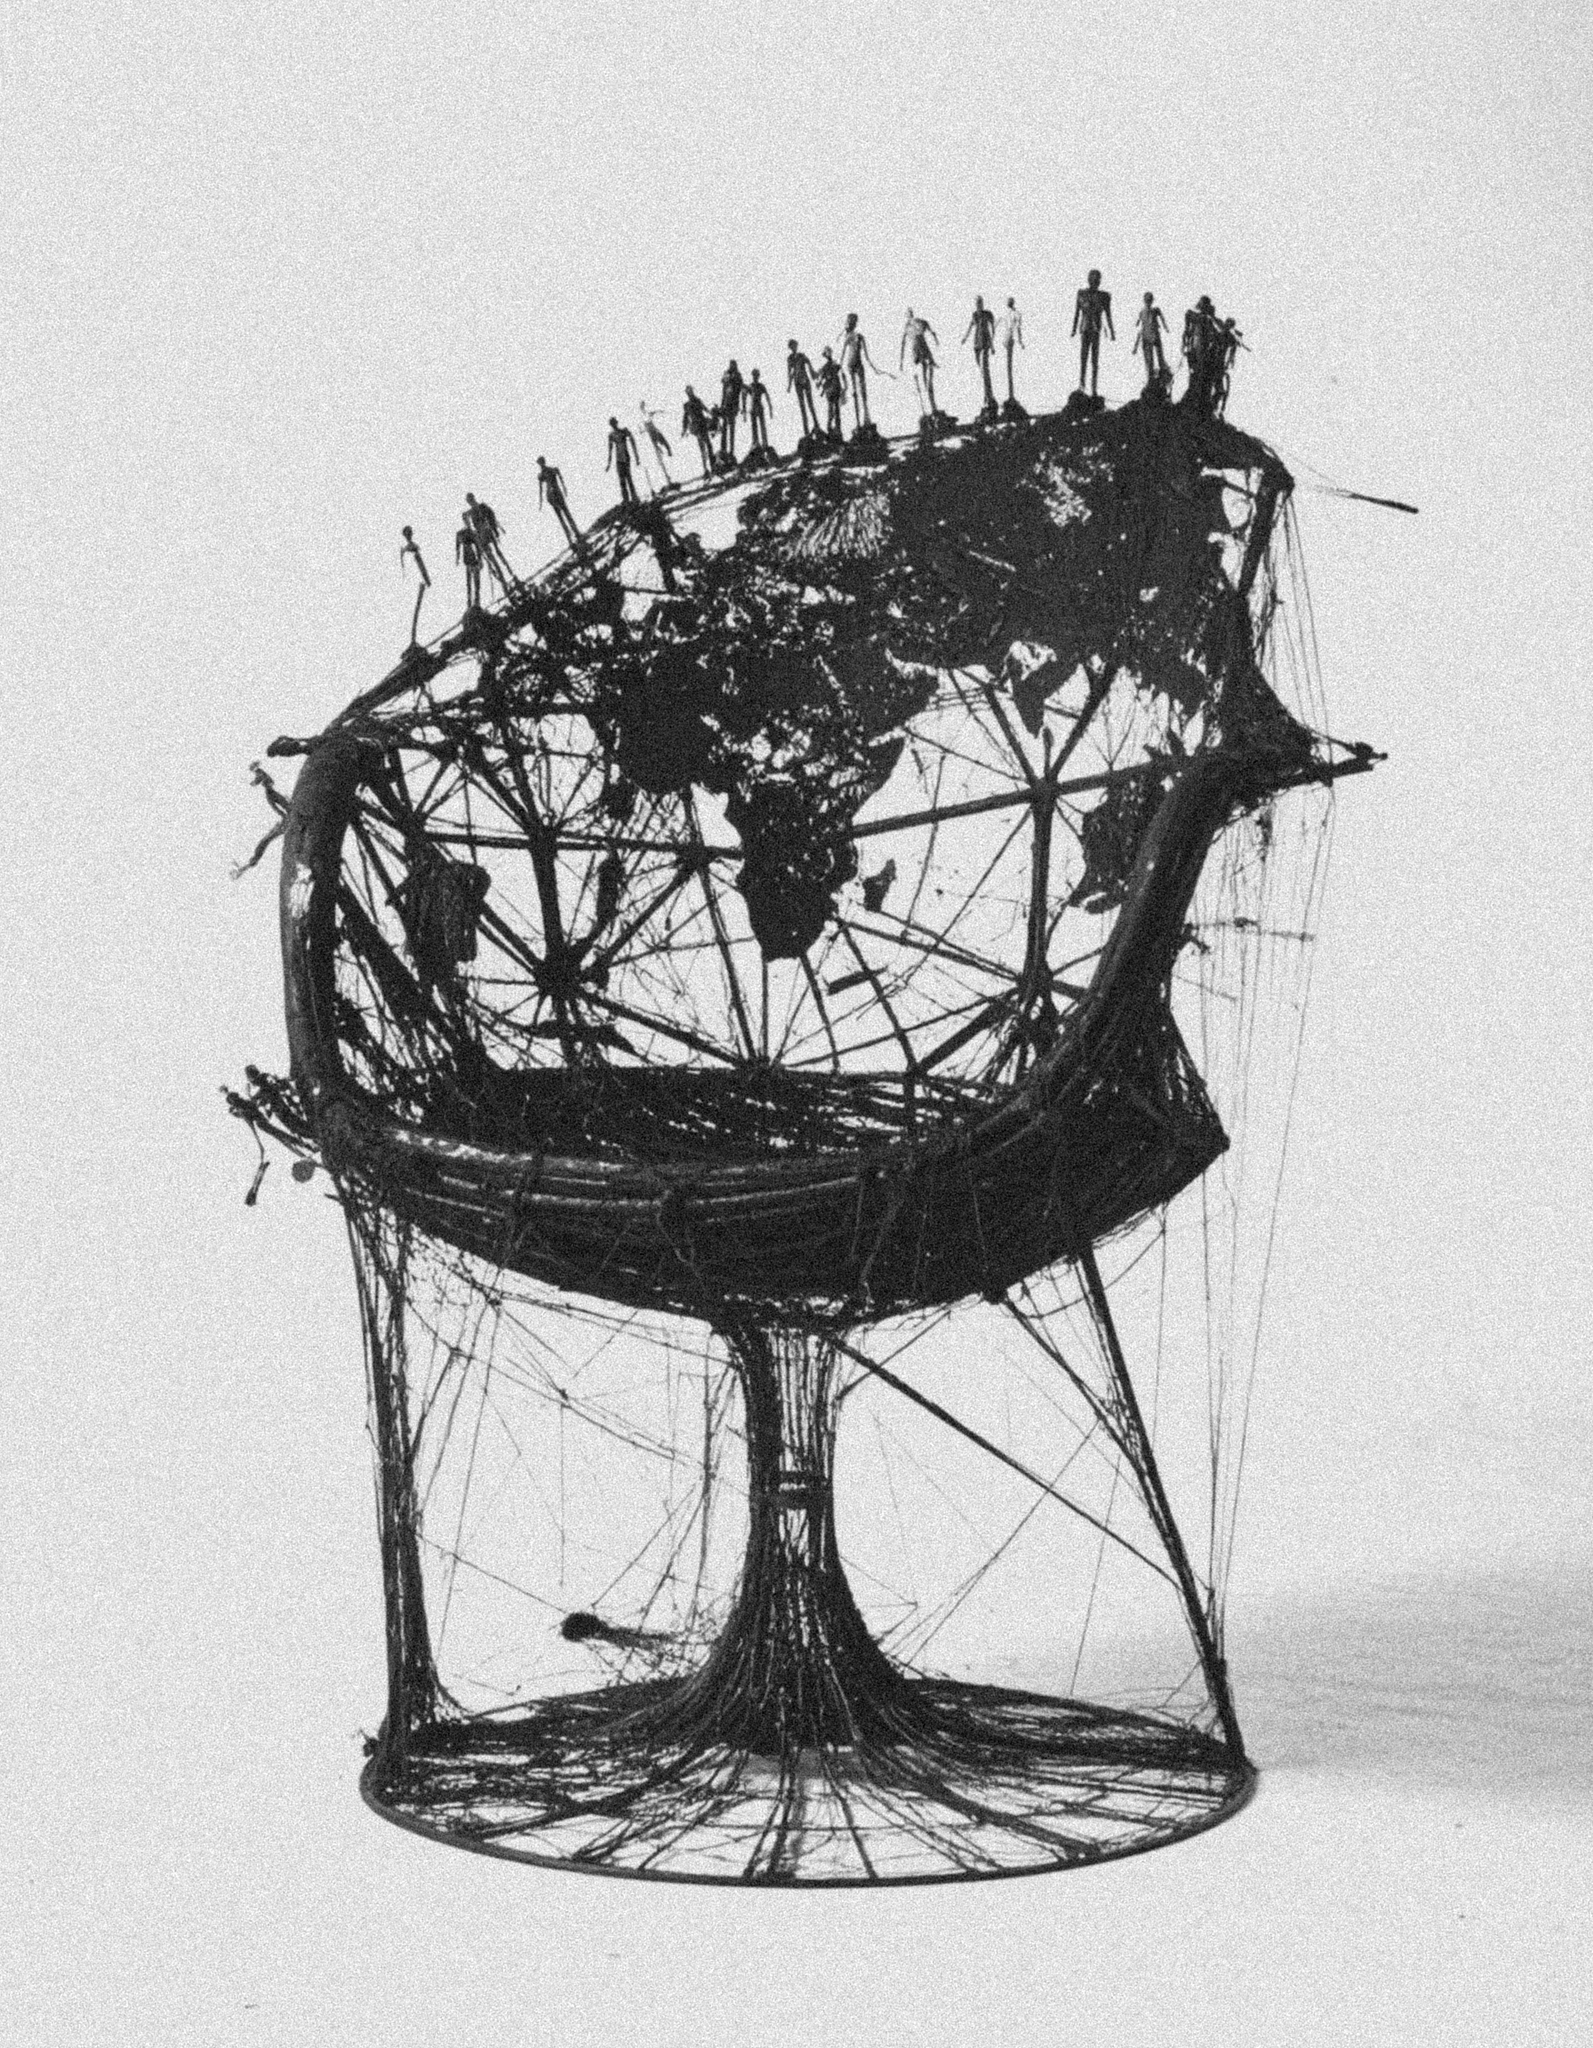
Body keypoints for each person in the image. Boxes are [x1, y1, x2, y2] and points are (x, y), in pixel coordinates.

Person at [1072, 270, 1114, 395]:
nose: (1095, 282)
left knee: (1094, 360)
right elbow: (1077, 312)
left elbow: (1108, 315)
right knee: (1084, 358)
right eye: (1093, 279)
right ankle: (1082, 385)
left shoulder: (1104, 296)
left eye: (1097, 280)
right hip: (1085, 328)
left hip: (1095, 330)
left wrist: (1112, 331)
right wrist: (1074, 328)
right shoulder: (1082, 294)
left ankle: (1094, 388)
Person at [838, 314, 883, 429]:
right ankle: (859, 422)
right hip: (851, 365)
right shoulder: (849, 337)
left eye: (851, 322)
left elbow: (866, 356)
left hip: (857, 365)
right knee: (856, 392)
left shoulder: (859, 337)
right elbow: (842, 354)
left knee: (862, 391)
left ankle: (866, 419)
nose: (850, 324)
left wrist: (874, 368)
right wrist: (839, 367)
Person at [464, 493, 512, 589]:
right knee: (492, 559)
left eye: (471, 500)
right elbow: (469, 525)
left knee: (498, 553)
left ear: (473, 498)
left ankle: (510, 573)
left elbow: (492, 517)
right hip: (482, 536)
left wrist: (495, 529)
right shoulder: (470, 512)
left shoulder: (482, 507)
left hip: (488, 532)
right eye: (469, 501)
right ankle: (503, 580)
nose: (470, 502)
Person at [901, 307, 941, 418]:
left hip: (923, 352)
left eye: (909, 314)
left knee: (927, 381)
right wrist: (901, 361)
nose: (909, 316)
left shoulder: (918, 323)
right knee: (923, 382)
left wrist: (935, 340)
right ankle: (930, 409)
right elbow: (903, 343)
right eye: (908, 315)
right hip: (917, 354)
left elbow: (930, 331)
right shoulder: (908, 326)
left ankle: (932, 409)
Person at [537, 456, 581, 549]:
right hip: (553, 495)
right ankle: (572, 537)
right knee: (563, 515)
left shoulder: (549, 471)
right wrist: (540, 502)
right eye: (540, 463)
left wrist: (564, 488)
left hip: (555, 494)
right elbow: (541, 489)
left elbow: (560, 479)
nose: (541, 465)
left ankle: (574, 535)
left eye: (541, 463)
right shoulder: (545, 473)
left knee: (564, 515)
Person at [1182, 296, 1219, 407]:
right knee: (1196, 373)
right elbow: (1187, 332)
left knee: (1199, 373)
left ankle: (1198, 399)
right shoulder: (1198, 317)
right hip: (1197, 348)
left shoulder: (1205, 319)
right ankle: (1195, 398)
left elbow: (1214, 334)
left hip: (1201, 349)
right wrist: (1185, 344)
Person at [963, 295, 997, 413]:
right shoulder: (975, 315)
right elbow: (970, 327)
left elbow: (991, 329)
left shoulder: (987, 314)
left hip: (985, 342)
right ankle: (987, 395)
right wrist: (965, 337)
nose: (979, 305)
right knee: (981, 370)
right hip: (977, 342)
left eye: (980, 303)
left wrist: (992, 345)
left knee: (985, 369)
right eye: (977, 303)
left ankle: (988, 397)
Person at [1130, 291, 1169, 388]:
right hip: (1146, 338)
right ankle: (1150, 381)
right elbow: (1139, 328)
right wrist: (1135, 346)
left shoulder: (1155, 310)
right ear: (1144, 301)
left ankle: (1162, 377)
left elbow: (1162, 318)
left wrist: (1165, 327)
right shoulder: (1142, 313)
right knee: (1149, 361)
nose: (1148, 302)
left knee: (1160, 358)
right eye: (1147, 300)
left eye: (1150, 300)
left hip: (1155, 336)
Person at [399, 526, 429, 647]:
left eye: (410, 533)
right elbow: (418, 565)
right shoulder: (411, 548)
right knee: (416, 608)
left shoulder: (409, 548)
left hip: (416, 579)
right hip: (417, 580)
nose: (409, 535)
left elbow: (418, 565)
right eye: (408, 534)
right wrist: (426, 579)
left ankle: (413, 638)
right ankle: (413, 639)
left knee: (417, 608)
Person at [787, 340, 820, 437]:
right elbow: (790, 372)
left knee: (810, 404)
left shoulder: (801, 355)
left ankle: (816, 424)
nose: (794, 347)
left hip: (805, 380)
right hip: (797, 383)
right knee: (802, 406)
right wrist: (789, 385)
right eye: (792, 346)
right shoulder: (790, 358)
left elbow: (809, 363)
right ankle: (806, 431)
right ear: (790, 347)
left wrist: (813, 373)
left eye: (795, 345)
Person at [638, 401, 675, 488]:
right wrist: (643, 430)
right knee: (658, 452)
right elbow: (643, 428)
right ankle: (666, 478)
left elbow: (653, 413)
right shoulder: (643, 417)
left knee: (665, 445)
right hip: (652, 435)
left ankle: (668, 452)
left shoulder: (647, 414)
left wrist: (660, 411)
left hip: (654, 433)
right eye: (642, 406)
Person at [606, 415, 640, 505]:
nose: (614, 425)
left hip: (626, 457)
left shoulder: (623, 431)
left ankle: (634, 497)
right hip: (619, 459)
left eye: (614, 423)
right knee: (622, 480)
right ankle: (626, 499)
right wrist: (609, 463)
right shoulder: (611, 435)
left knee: (628, 478)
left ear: (616, 423)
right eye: (612, 424)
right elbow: (610, 449)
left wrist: (636, 456)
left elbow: (632, 440)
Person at [681, 385, 715, 475]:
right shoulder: (688, 404)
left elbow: (705, 409)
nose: (690, 394)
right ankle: (708, 468)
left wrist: (712, 414)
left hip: (700, 426)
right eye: (688, 392)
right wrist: (684, 429)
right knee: (705, 447)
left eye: (690, 392)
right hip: (698, 427)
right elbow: (685, 418)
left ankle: (710, 467)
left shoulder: (695, 402)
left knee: (706, 446)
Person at [998, 296, 1025, 406]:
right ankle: (1010, 395)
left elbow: (1017, 329)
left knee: (1009, 366)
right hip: (1007, 338)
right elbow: (1017, 329)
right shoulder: (1012, 313)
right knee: (1008, 367)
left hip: (1008, 338)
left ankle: (1011, 395)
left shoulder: (1013, 314)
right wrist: (1020, 341)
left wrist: (1020, 341)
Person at [719, 359, 745, 461]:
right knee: (724, 428)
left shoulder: (737, 376)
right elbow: (724, 390)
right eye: (731, 365)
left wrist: (739, 406)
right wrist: (722, 404)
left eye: (733, 365)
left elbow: (740, 390)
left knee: (731, 428)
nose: (731, 366)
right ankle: (724, 450)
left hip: (733, 404)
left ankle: (731, 452)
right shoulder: (726, 374)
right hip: (726, 404)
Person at [815, 346, 844, 438]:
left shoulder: (833, 365)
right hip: (831, 389)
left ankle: (835, 427)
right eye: (827, 353)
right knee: (832, 408)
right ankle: (831, 427)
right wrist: (820, 383)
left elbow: (839, 372)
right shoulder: (827, 366)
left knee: (835, 409)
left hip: (834, 388)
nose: (829, 354)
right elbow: (821, 378)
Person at [455, 517, 482, 610]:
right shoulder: (461, 533)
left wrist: (480, 560)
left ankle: (477, 602)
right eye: (465, 520)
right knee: (469, 583)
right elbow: (457, 547)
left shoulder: (472, 532)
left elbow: (478, 547)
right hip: (467, 559)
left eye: (468, 520)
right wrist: (457, 558)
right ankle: (469, 603)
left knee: (476, 583)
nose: (467, 522)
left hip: (474, 558)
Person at [745, 367, 773, 451]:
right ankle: (755, 443)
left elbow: (767, 396)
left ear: (758, 376)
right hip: (753, 407)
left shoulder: (761, 386)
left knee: (762, 426)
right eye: (754, 375)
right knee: (754, 427)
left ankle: (765, 443)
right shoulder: (750, 386)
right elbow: (744, 397)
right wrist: (744, 410)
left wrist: (770, 408)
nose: (755, 377)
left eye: (756, 375)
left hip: (759, 407)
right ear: (752, 376)